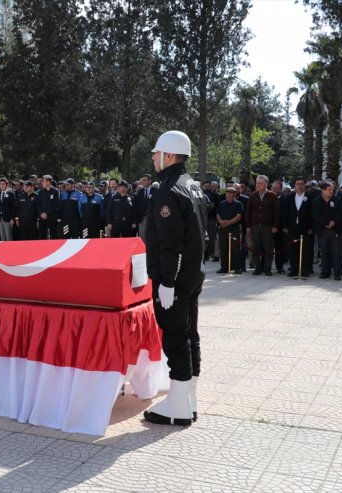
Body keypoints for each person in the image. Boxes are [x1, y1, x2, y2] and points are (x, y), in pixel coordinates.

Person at [143, 130, 208, 427]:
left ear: (168, 155)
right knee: (189, 333)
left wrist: (167, 281)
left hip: (177, 278)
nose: (154, 158)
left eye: (156, 153)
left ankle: (179, 405)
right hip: (194, 273)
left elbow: (170, 243)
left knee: (175, 336)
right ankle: (188, 397)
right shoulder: (193, 186)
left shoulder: (169, 189)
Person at [245, 175, 280, 276]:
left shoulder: (272, 196)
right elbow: (248, 212)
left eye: (260, 183)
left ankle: (267, 268)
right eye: (257, 183)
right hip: (255, 226)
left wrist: (275, 226)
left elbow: (277, 213)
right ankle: (257, 267)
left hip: (268, 226)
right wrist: (248, 226)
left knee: (268, 247)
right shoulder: (252, 196)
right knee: (256, 247)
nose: (258, 185)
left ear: (266, 184)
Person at [312, 182, 342, 280]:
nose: (331, 191)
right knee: (324, 252)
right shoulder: (316, 201)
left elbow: (341, 213)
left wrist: (334, 222)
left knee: (337, 252)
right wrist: (326, 222)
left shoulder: (337, 200)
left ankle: (337, 273)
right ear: (323, 190)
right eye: (329, 190)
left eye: (332, 189)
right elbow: (316, 215)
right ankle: (325, 272)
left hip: (336, 230)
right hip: (323, 230)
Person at [283, 178, 313, 277]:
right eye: (297, 184)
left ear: (305, 185)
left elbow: (313, 214)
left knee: (306, 250)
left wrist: (311, 228)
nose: (300, 186)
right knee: (293, 249)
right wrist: (285, 226)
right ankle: (294, 269)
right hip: (292, 228)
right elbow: (285, 213)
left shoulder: (310, 198)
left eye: (302, 184)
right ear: (294, 186)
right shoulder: (289, 198)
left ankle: (305, 269)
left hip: (305, 228)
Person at [215, 187, 243, 274]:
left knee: (235, 249)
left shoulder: (238, 204)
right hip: (223, 229)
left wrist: (229, 222)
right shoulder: (221, 203)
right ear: (225, 194)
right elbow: (217, 214)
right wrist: (220, 221)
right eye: (228, 192)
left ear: (235, 194)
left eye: (232, 192)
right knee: (223, 249)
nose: (230, 194)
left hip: (234, 229)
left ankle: (237, 267)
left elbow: (239, 216)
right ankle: (224, 267)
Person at [38, 175, 60, 239]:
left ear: (48, 182)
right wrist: (42, 213)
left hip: (52, 217)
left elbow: (55, 205)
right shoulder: (41, 192)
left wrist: (47, 213)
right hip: (42, 217)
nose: (42, 183)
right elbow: (38, 204)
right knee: (42, 235)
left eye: (43, 181)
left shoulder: (56, 191)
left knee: (53, 234)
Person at [136, 174, 155, 238]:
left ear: (150, 181)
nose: (142, 182)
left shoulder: (156, 191)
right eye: (142, 180)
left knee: (152, 236)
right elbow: (138, 204)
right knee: (142, 237)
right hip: (142, 218)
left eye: (144, 180)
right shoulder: (140, 192)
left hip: (152, 217)